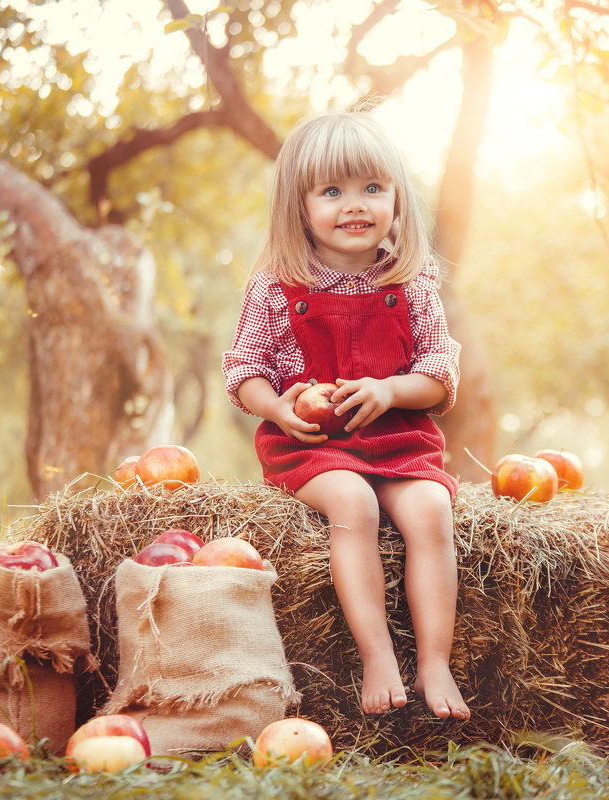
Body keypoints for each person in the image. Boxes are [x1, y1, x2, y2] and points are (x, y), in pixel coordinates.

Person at [222, 111, 470, 720]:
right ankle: (378, 653)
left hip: (399, 435)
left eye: (371, 189)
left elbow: (440, 373)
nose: (354, 206)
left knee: (432, 510)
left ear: (396, 199)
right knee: (353, 503)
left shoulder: (412, 281)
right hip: (314, 444)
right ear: (298, 205)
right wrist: (279, 406)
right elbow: (245, 368)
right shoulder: (277, 285)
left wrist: (388, 392)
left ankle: (435, 661)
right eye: (332, 191)